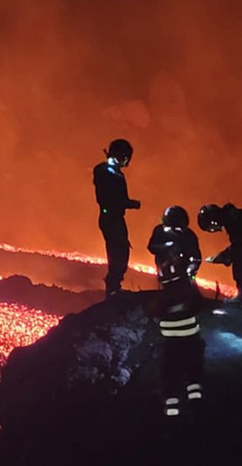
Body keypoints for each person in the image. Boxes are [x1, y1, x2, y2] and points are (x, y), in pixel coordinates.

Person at [147, 206, 205, 418]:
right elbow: (152, 247)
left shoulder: (188, 236)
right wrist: (168, 245)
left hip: (170, 343)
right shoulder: (161, 232)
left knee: (170, 371)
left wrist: (191, 269)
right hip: (190, 339)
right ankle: (195, 401)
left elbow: (196, 255)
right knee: (192, 367)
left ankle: (174, 410)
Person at [93, 138, 140, 298]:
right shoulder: (106, 172)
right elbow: (111, 198)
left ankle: (114, 287)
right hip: (111, 218)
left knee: (120, 253)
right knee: (118, 254)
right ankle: (113, 288)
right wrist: (131, 203)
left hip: (113, 218)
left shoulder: (110, 172)